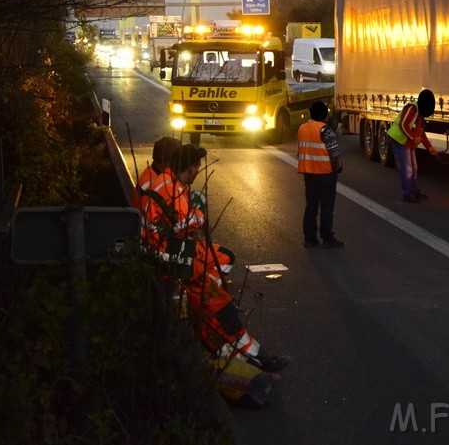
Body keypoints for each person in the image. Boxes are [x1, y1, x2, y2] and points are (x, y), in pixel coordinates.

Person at [140, 144, 289, 374]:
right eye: (198, 167)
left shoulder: (168, 183)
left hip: (172, 253)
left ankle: (215, 325)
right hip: (173, 258)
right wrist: (198, 215)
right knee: (221, 308)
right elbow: (184, 224)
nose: (198, 171)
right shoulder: (172, 190)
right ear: (191, 168)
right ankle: (254, 358)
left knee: (220, 268)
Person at [297, 101, 344, 248]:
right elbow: (334, 153)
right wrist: (337, 168)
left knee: (311, 207)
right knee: (327, 207)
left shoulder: (302, 128)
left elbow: (300, 151)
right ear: (324, 114)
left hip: (308, 173)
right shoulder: (326, 130)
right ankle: (327, 237)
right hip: (325, 173)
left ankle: (310, 239)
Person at [387, 89, 439, 203]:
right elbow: (402, 124)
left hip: (407, 142)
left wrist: (429, 147)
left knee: (413, 168)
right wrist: (412, 138)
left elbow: (421, 133)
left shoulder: (420, 114)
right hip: (399, 140)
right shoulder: (413, 108)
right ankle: (407, 193)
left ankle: (413, 190)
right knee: (407, 169)